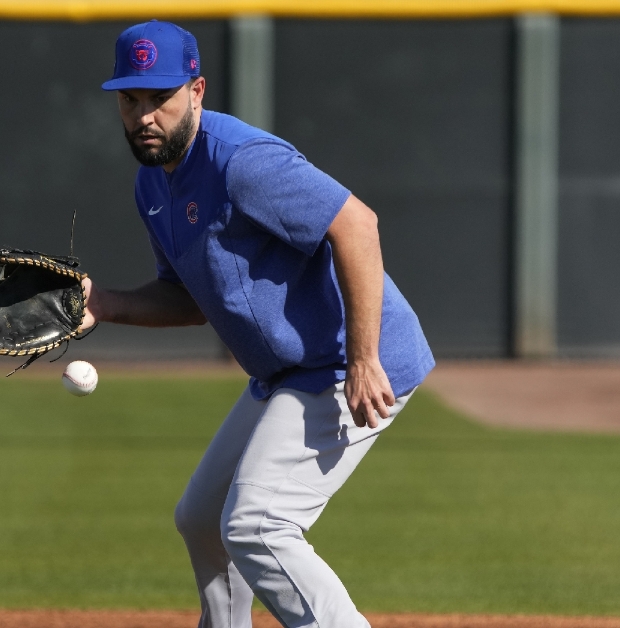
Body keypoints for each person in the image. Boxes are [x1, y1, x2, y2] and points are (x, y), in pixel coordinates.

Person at [82, 20, 436, 628]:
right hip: (286, 373)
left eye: (159, 98)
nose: (144, 116)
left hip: (342, 362)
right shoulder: (153, 185)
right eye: (131, 99)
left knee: (258, 524)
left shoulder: (241, 161)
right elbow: (189, 300)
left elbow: (357, 226)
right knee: (202, 518)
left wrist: (363, 357)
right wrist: (106, 303)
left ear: (197, 91)